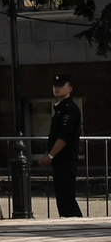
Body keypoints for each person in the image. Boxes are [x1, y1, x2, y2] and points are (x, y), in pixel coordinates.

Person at [46, 75, 84, 218]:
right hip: (59, 158)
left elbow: (64, 137)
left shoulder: (70, 109)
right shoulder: (60, 109)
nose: (57, 88)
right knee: (62, 194)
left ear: (70, 89)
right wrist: (47, 153)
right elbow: (54, 136)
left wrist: (50, 156)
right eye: (55, 85)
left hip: (66, 158)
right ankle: (68, 219)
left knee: (66, 194)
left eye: (61, 85)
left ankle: (75, 221)